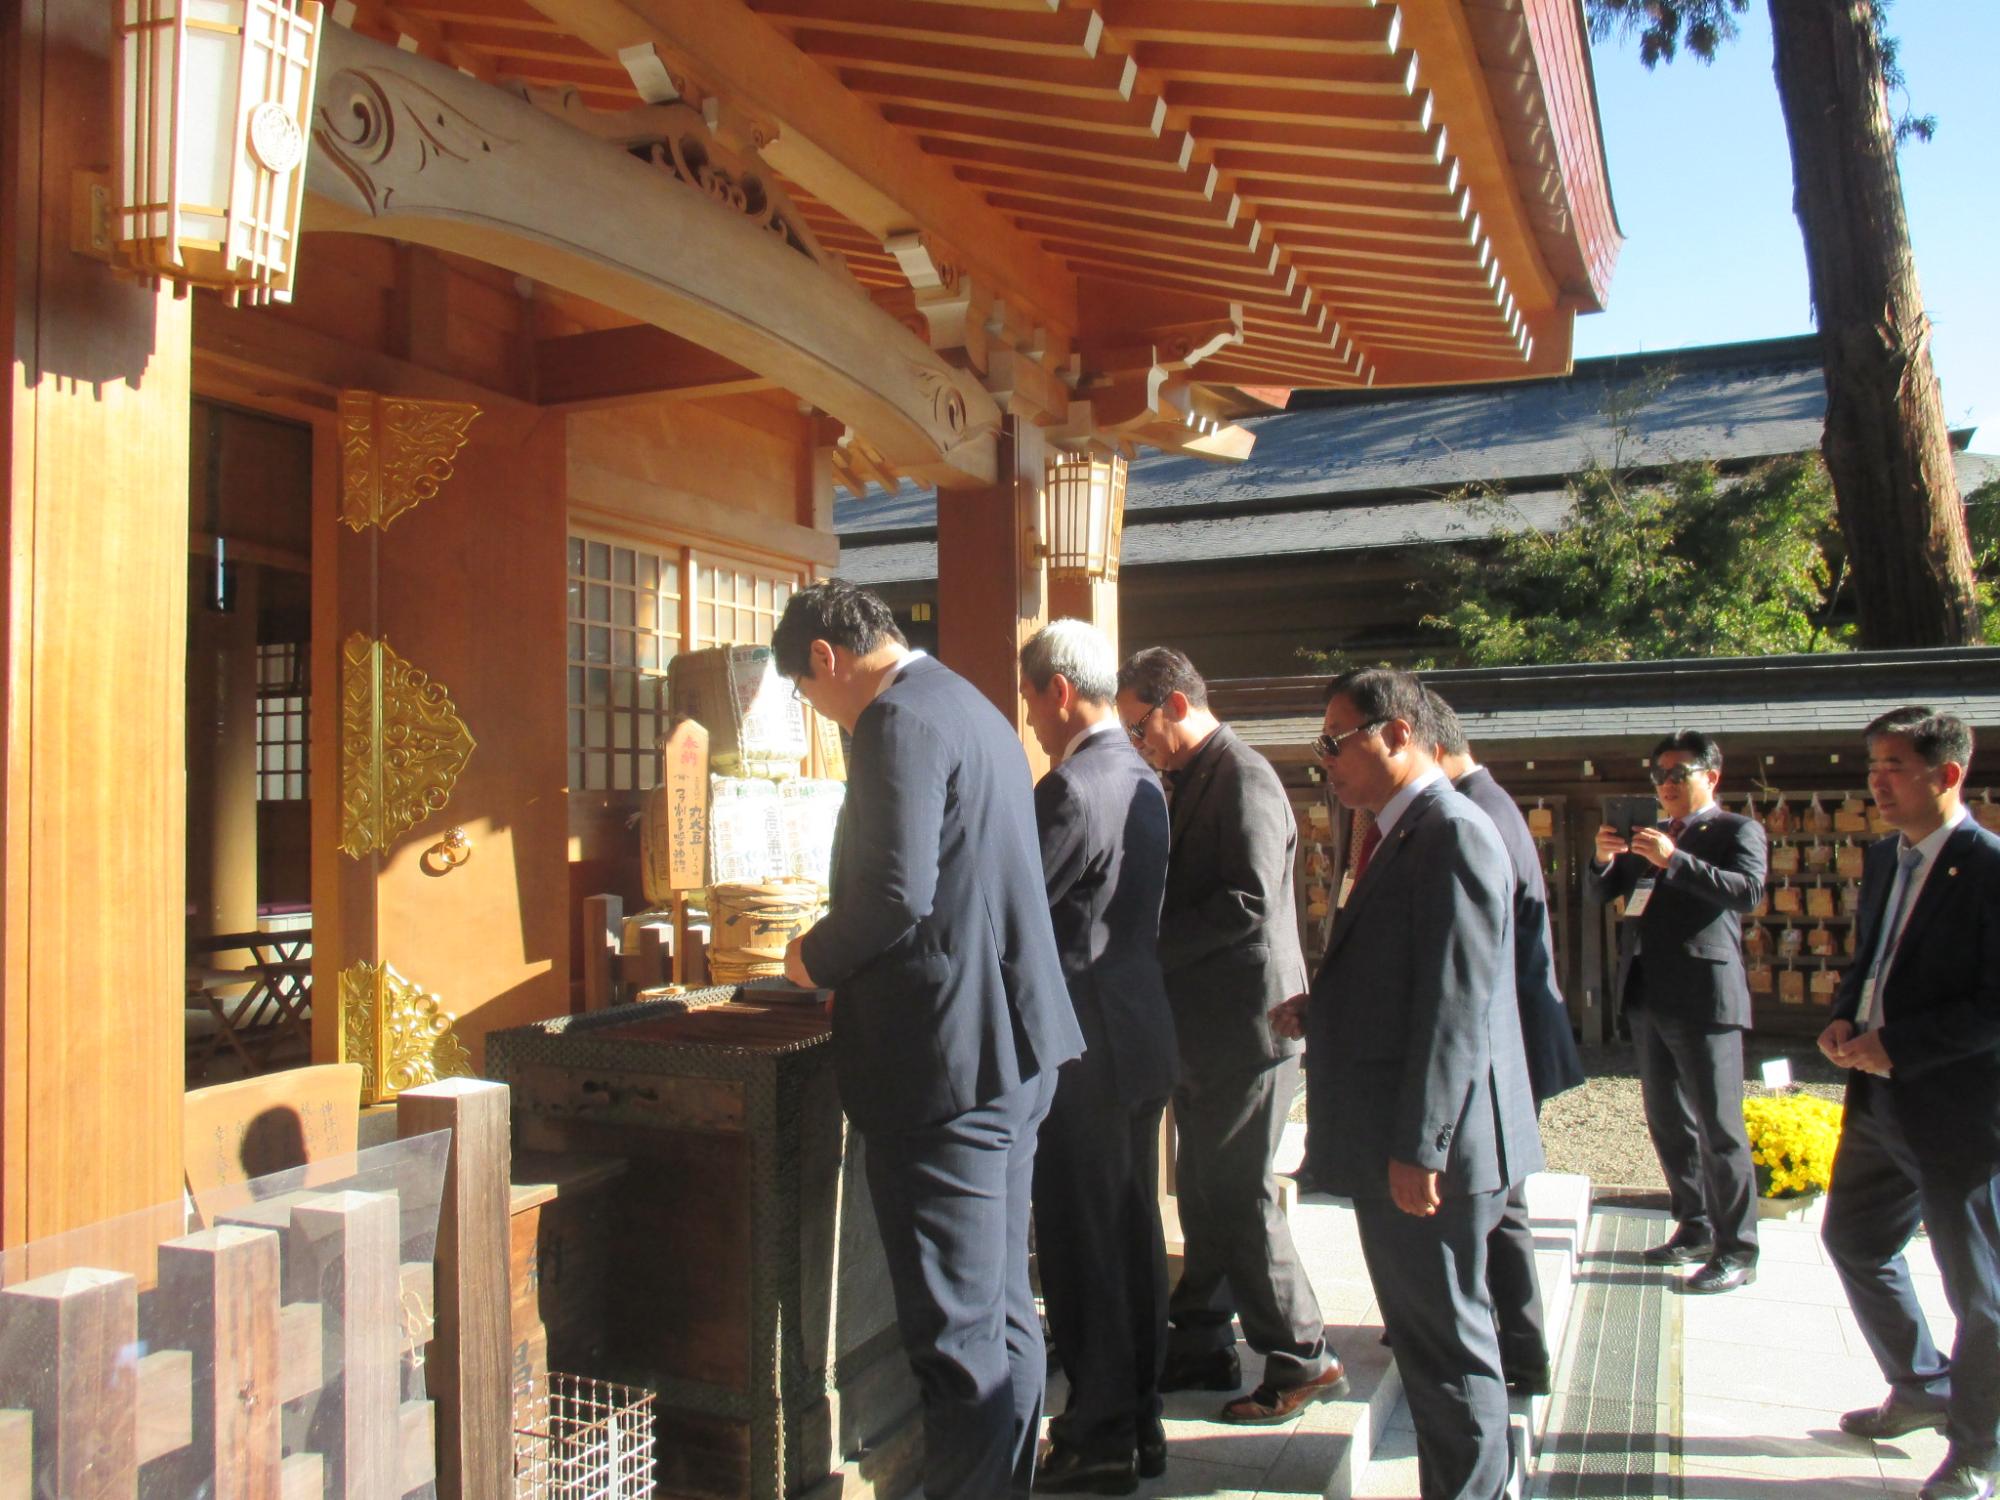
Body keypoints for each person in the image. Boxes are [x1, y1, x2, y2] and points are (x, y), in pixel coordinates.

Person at [776, 581, 1084, 1500]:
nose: (813, 706)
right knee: (1000, 1312)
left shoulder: (894, 721)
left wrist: (809, 959)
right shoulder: (970, 701)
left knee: (957, 1331)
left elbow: (894, 895)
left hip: (947, 1066)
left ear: (826, 659)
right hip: (1012, 1045)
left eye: (804, 687)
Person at [1276, 668, 1542, 1500]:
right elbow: (1404, 973)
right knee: (1434, 1345)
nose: (1326, 762)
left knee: (1446, 1347)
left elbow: (1456, 1004)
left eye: (1335, 741)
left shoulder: (1451, 830)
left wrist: (1420, 1146)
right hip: (1404, 1135)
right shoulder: (1400, 831)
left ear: (1395, 732)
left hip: (1432, 1148)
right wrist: (1323, 1012)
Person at [1114, 646, 1342, 1425]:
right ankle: (1203, 1336)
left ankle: (1302, 1353)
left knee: (1238, 1194)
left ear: (1176, 704)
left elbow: (1244, 899)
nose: (1141, 745)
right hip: (1205, 1024)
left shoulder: (1242, 775)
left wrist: (1144, 943)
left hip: (1247, 1024)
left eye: (1141, 728)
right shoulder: (1194, 774)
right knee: (1206, 1191)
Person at [1815, 707, 2000, 1500]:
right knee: (1855, 1238)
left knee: (1980, 1293)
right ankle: (1920, 1381)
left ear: (1946, 773)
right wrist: (1845, 1015)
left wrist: (1905, 1045)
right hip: (1878, 1097)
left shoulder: (1988, 868)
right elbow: (1873, 958)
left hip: (1958, 1109)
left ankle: (1978, 1449)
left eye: (1893, 764)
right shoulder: (1888, 858)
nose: (1876, 781)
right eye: (1873, 765)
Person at [1016, 621, 1178, 1494]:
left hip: (1085, 1044)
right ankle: (1139, 1417)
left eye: (1034, 700)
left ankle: (1101, 1429)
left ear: (1059, 691)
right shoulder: (1143, 778)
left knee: (1084, 1242)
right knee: (1129, 1231)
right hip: (1138, 1031)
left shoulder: (1072, 788)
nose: (1035, 721)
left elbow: (1017, 911)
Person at [1428, 688, 1585, 1396]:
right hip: (1512, 1035)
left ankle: (1512, 1349)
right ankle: (1519, 1344)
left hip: (1504, 1037)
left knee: (1494, 1205)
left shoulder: (1473, 815)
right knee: (1504, 1204)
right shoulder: (1490, 801)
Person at [1585, 729, 1766, 1294]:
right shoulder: (1651, 833)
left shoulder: (1736, 830)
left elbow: (1748, 891)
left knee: (1719, 1127)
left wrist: (1676, 860)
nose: (1664, 784)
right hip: (1647, 990)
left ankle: (1738, 1249)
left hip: (1704, 995)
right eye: (1657, 775)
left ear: (1710, 776)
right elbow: (1603, 894)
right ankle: (1695, 1224)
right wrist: (1602, 857)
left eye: (1676, 773)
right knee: (1668, 1121)